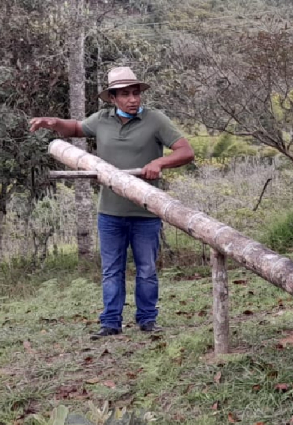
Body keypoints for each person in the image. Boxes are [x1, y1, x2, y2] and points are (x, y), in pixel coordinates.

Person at [29, 67, 194, 340]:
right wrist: (53, 122)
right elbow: (76, 128)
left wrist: (159, 162)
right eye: (126, 94)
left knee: (146, 269)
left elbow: (186, 151)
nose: (133, 99)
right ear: (113, 98)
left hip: (145, 211)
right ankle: (110, 323)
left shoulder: (156, 120)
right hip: (110, 213)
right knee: (112, 270)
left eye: (136, 93)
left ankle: (147, 320)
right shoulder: (102, 119)